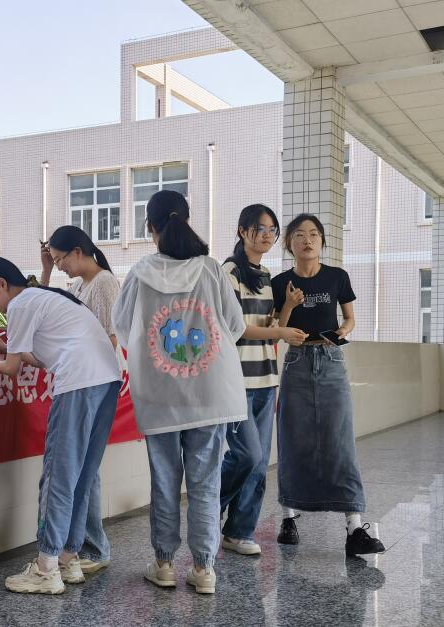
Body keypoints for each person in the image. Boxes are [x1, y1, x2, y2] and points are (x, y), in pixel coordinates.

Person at [112, 189, 247, 595]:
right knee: (206, 483)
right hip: (210, 394)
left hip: (159, 396)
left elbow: (122, 327)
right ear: (187, 220)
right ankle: (204, 569)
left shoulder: (139, 273)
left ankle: (164, 564)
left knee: (164, 481)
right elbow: (236, 326)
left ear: (149, 227)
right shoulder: (211, 269)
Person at [0, 257, 122, 594]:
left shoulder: (20, 304)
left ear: (2, 284)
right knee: (82, 475)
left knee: (58, 475)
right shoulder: (44, 297)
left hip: (78, 383)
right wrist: (10, 349)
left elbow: (10, 370)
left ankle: (46, 567)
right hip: (108, 381)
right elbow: (44, 356)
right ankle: (68, 558)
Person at [270, 214, 385, 556]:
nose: (307, 240)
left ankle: (354, 527)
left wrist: (341, 333)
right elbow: (277, 330)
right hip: (296, 362)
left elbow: (349, 319)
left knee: (340, 440)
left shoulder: (337, 276)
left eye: (314, 234)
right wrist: (289, 305)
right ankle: (288, 518)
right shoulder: (280, 282)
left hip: (332, 360)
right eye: (299, 235)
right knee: (292, 438)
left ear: (322, 241)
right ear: (289, 243)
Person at [218, 205, 307, 557]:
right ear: (243, 231)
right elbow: (236, 328)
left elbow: (271, 329)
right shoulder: (229, 272)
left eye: (272, 230)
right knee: (247, 454)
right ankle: (207, 508)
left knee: (258, 463)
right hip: (236, 381)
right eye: (260, 229)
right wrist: (280, 330)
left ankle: (239, 532)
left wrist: (288, 308)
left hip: (266, 379)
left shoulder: (266, 274)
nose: (267, 236)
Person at [39, 224, 120, 576]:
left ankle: (92, 547)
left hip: (93, 381)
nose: (60, 266)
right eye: (54, 261)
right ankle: (86, 547)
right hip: (88, 379)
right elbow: (42, 309)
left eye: (60, 259)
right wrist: (44, 270)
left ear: (77, 251)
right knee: (85, 468)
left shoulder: (104, 283)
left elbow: (113, 337)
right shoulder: (78, 286)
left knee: (82, 469)